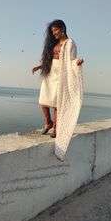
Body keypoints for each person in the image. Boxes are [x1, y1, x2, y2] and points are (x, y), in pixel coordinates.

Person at [32, 19, 84, 161]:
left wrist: (77, 63)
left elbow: (71, 60)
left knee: (57, 101)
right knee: (43, 99)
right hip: (50, 72)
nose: (54, 33)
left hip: (61, 73)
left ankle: (56, 127)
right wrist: (40, 66)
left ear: (62, 29)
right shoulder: (54, 44)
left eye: (56, 30)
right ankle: (47, 122)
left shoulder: (70, 43)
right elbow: (50, 58)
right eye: (52, 31)